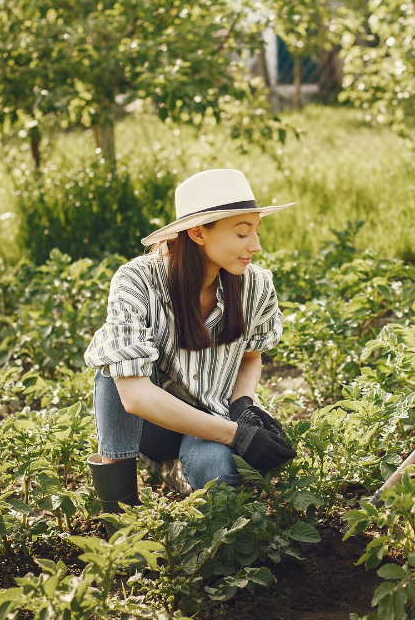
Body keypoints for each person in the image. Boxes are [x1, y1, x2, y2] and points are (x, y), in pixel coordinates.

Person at [83, 168, 297, 514]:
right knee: (113, 369)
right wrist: (235, 435)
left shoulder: (256, 285)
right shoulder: (138, 281)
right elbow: (134, 397)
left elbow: (251, 357)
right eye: (242, 233)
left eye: (256, 231)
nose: (256, 246)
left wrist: (242, 406)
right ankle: (117, 513)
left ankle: (181, 475)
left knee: (219, 473)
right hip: (152, 426)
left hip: (213, 417)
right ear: (198, 232)